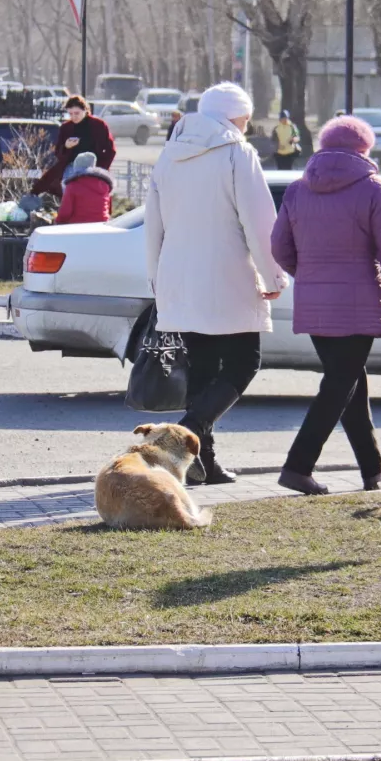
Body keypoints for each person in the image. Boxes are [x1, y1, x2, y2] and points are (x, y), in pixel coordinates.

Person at [144, 82, 287, 485]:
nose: (246, 124)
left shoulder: (169, 154)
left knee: (203, 371)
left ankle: (201, 465)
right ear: (231, 115)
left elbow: (153, 223)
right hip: (229, 276)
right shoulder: (237, 153)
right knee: (244, 363)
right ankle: (182, 435)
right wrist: (273, 274)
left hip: (179, 277)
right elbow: (260, 222)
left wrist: (157, 278)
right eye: (244, 117)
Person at [269, 115, 381, 495]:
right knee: (340, 384)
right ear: (364, 150)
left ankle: (372, 470)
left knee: (349, 382)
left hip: (314, 302)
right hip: (359, 302)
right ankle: (297, 466)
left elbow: (279, 247)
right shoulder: (375, 189)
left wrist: (309, 275)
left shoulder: (298, 189)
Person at [32, 95, 115, 197]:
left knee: (92, 195)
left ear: (85, 110)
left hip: (94, 166)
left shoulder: (99, 125)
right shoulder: (66, 128)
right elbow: (59, 154)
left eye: (77, 113)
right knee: (68, 190)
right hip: (72, 166)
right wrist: (66, 146)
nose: (74, 117)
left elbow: (110, 150)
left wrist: (101, 169)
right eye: (70, 114)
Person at [55, 152, 113, 225]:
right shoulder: (105, 184)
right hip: (102, 224)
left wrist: (59, 222)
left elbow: (65, 211)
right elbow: (109, 209)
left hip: (79, 225)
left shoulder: (72, 185)